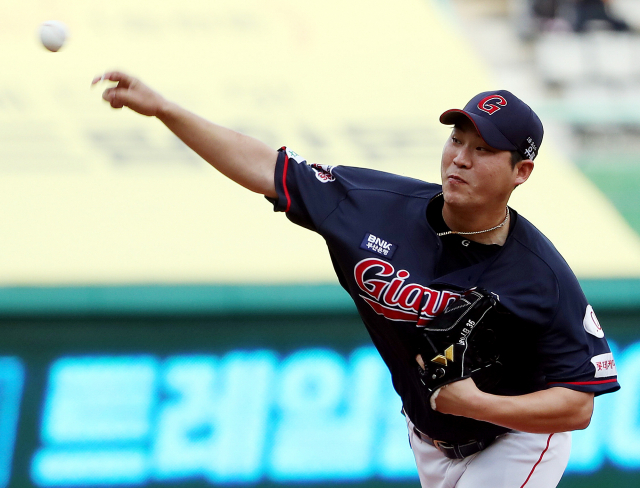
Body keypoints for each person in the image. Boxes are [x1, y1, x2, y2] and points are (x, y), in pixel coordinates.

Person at [92, 72, 619, 488]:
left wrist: (476, 404)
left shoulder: (541, 276)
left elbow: (577, 405)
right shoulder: (372, 206)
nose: (460, 158)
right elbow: (264, 167)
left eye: (482, 150)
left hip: (514, 439)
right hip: (430, 438)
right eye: (457, 140)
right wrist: (165, 109)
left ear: (521, 172)